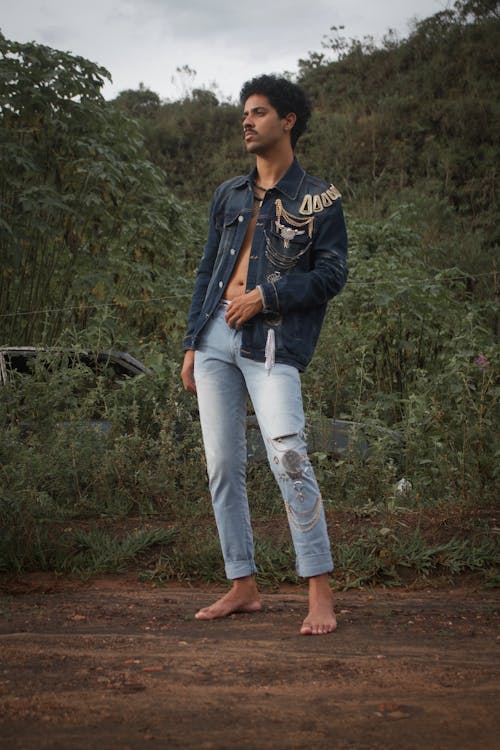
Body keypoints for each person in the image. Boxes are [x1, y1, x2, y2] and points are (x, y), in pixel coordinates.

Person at [181, 74, 348, 635]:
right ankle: (242, 585)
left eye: (258, 112)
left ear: (288, 120)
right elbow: (208, 270)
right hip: (214, 342)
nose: (246, 122)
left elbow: (332, 274)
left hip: (270, 342)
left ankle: (319, 593)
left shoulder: (319, 197)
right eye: (243, 114)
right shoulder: (228, 193)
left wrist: (265, 296)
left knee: (288, 457)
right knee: (223, 465)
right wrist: (190, 344)